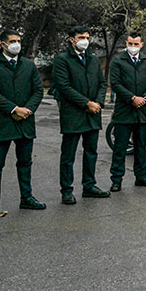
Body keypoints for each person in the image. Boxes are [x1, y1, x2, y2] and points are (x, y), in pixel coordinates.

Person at [0, 30, 46, 219]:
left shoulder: (28, 65)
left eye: (18, 41)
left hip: (25, 122)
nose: (16, 44)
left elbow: (38, 91)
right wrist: (14, 109)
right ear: (3, 44)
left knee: (25, 162)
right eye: (12, 41)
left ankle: (26, 198)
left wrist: (27, 110)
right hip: (3, 123)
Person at [53, 26, 110, 204]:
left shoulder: (92, 58)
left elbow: (102, 83)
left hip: (93, 114)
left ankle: (89, 186)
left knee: (91, 152)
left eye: (87, 37)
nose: (85, 40)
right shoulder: (63, 60)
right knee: (68, 155)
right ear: (72, 40)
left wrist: (98, 102)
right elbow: (63, 87)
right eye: (81, 37)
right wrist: (87, 103)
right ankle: (66, 190)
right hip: (73, 114)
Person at [108, 32, 146, 192]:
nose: (133, 47)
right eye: (130, 44)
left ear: (141, 45)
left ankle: (141, 177)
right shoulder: (118, 60)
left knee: (141, 146)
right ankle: (116, 179)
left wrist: (145, 98)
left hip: (142, 111)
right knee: (120, 147)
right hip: (124, 111)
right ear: (126, 43)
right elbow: (115, 83)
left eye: (136, 44)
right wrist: (132, 98)